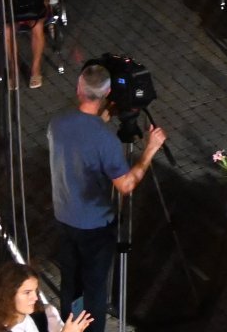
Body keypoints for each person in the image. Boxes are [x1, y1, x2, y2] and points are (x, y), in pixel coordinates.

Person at [48, 62, 166, 332]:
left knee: (70, 283)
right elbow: (126, 185)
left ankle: (70, 328)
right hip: (95, 226)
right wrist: (150, 150)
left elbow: (81, 138)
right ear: (109, 92)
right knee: (94, 289)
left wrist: (101, 118)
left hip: (64, 217)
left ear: (79, 88)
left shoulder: (57, 123)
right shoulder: (106, 141)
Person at [0, 260, 93, 332]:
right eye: (27, 292)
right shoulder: (0, 328)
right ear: (8, 294)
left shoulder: (46, 314)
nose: (35, 297)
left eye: (35, 290)